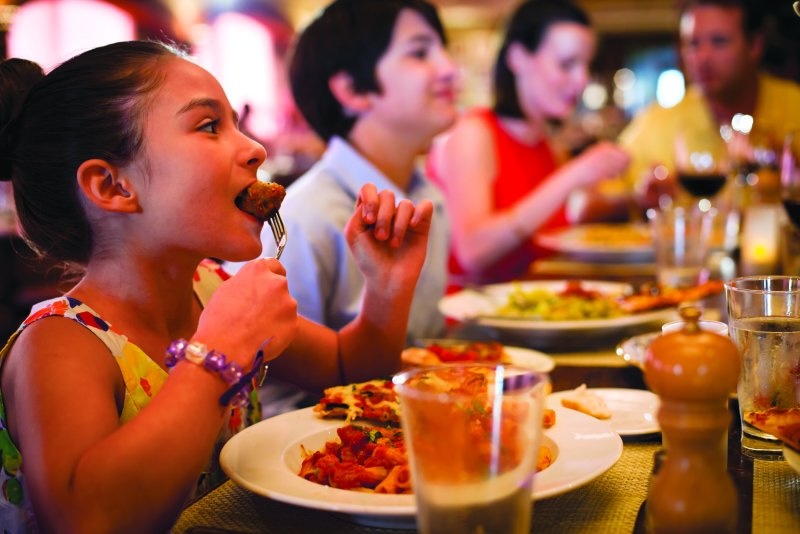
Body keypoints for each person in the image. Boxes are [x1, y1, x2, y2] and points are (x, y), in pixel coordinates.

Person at [0, 40, 432, 532]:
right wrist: (218, 352)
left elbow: (348, 372)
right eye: (209, 126)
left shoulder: (207, 288)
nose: (256, 148)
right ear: (113, 186)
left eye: (236, 123)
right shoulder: (60, 344)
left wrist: (387, 288)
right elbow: (87, 519)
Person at [227, 0, 457, 342]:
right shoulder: (304, 221)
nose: (449, 69)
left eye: (443, 51)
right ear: (352, 90)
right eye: (420, 53)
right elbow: (265, 382)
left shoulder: (427, 196)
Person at [428, 0, 630, 290]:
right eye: (567, 64)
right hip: (472, 320)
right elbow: (473, 252)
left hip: (531, 309)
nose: (582, 79)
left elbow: (561, 220)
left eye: (586, 65)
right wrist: (571, 176)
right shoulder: (473, 132)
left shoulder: (544, 142)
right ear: (519, 58)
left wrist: (632, 201)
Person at [608, 0, 800, 215]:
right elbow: (586, 203)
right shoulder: (658, 121)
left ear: (754, 46)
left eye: (719, 41)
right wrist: (636, 197)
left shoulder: (794, 106)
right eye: (692, 44)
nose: (702, 57)